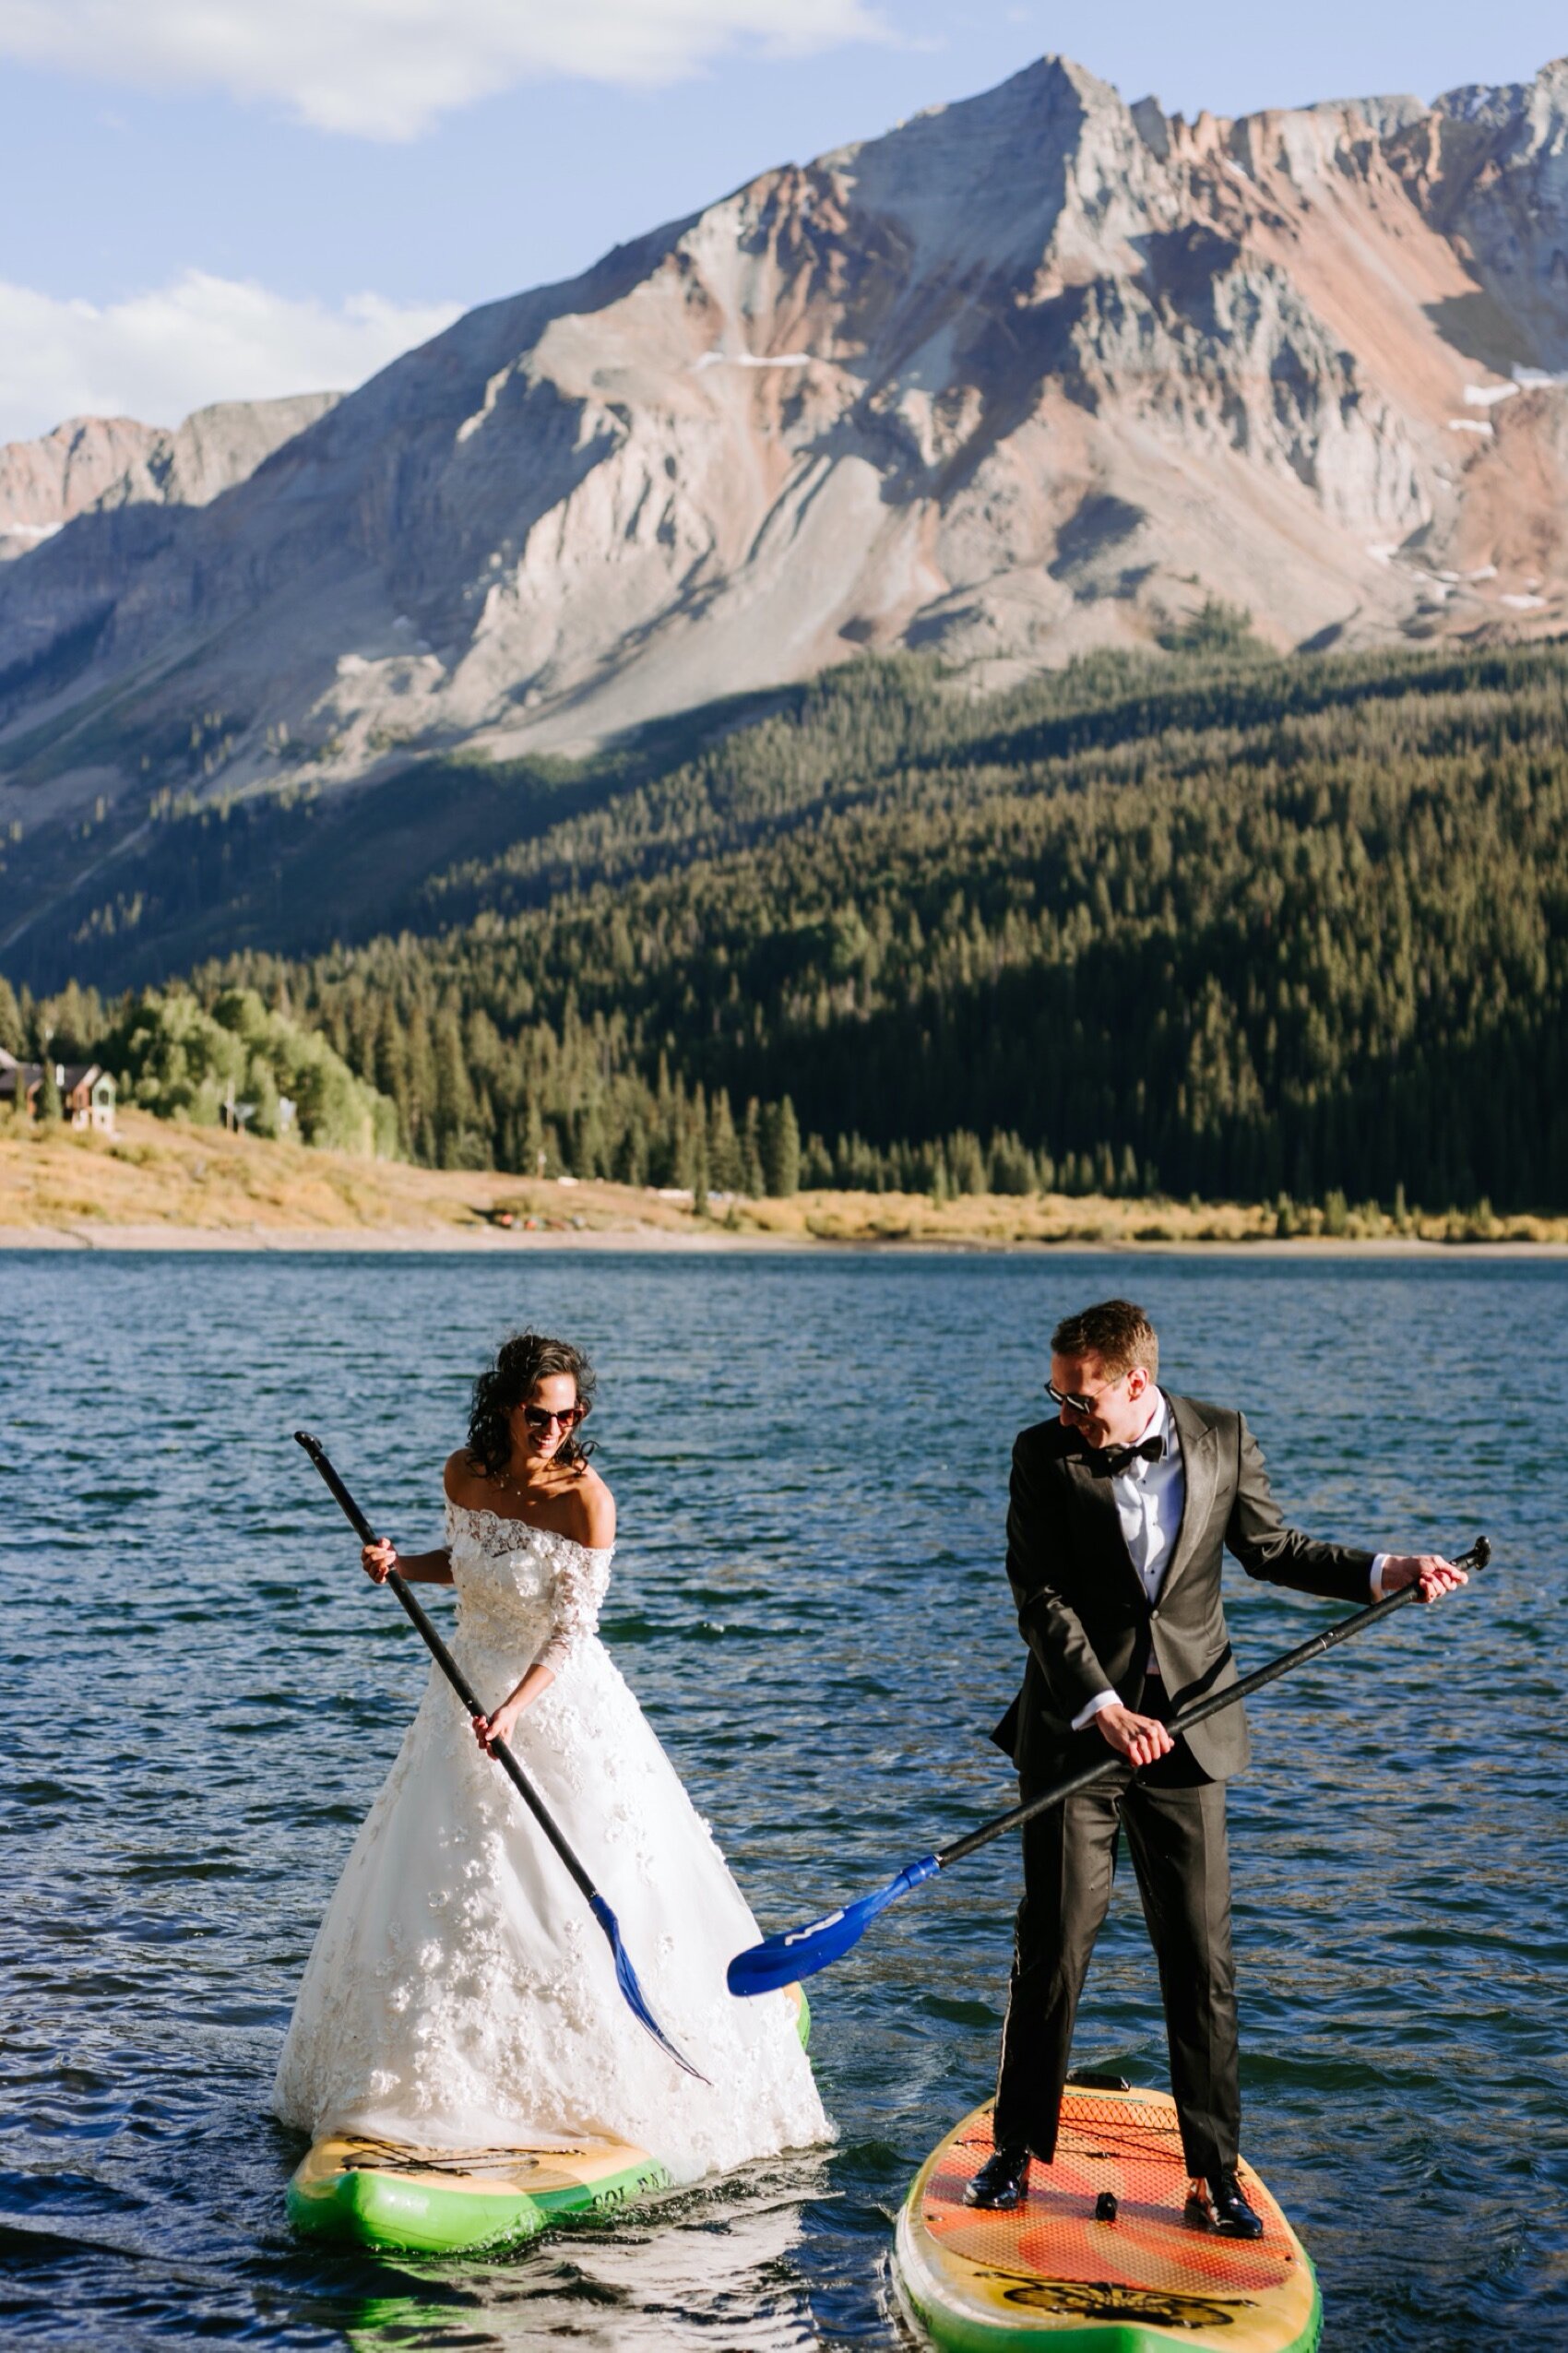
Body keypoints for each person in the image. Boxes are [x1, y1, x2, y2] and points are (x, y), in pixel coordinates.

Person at [274, 1329, 828, 2180]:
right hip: (459, 1704)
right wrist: (399, 1566)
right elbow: (465, 1567)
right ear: (506, 1405)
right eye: (539, 1414)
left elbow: (571, 1635)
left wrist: (511, 1712)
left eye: (568, 1416)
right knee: (440, 1891)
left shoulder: (587, 1501)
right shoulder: (464, 1473)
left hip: (550, 1705)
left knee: (570, 1895)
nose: (553, 1430)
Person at [967, 1298, 1466, 2233]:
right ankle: (1015, 2149)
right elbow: (1036, 1597)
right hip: (1077, 1732)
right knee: (1054, 1948)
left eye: (1079, 1398)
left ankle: (1213, 2172)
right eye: (1057, 1395)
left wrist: (1385, 1568)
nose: (1064, 1413)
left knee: (1201, 1961)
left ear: (1134, 1382)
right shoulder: (1041, 1455)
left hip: (1191, 1734)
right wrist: (1103, 1707)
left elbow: (1273, 1549)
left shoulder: (1221, 1436)